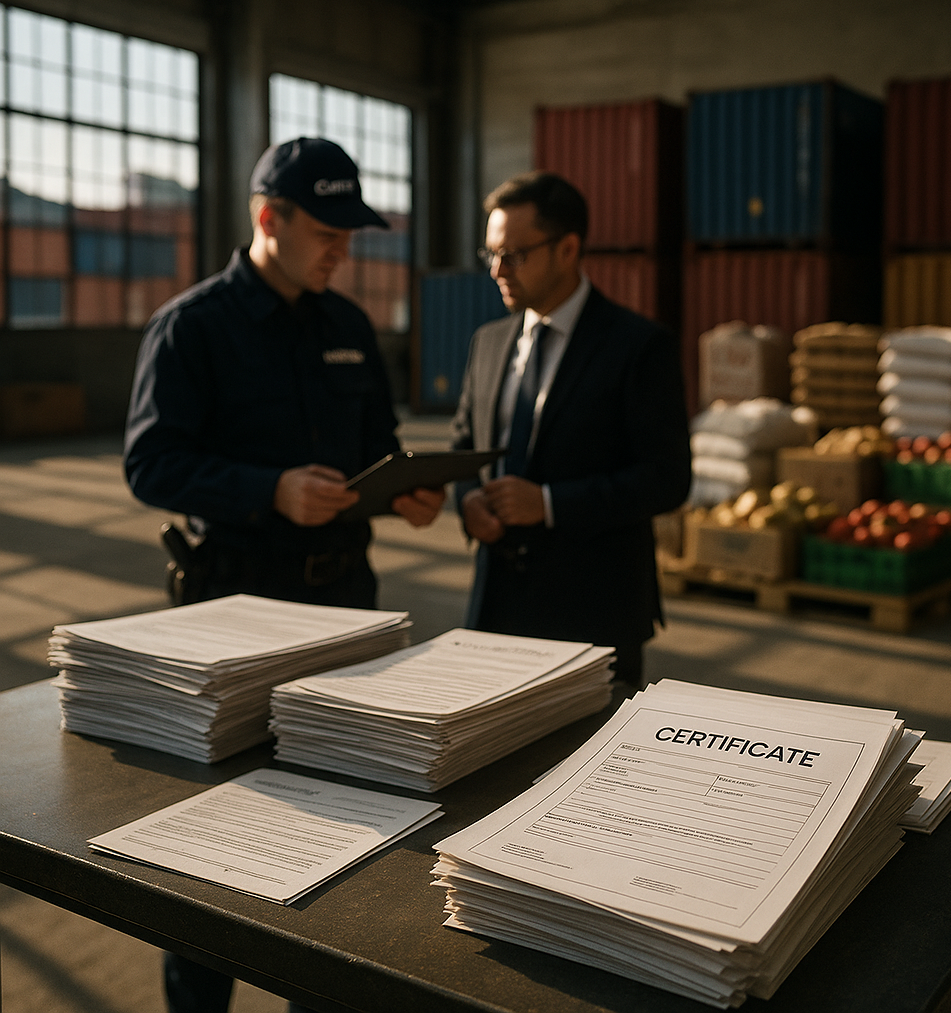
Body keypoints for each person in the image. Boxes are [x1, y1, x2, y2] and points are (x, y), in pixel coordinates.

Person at [124, 137, 444, 1013]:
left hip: (345, 605)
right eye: (328, 231)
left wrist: (402, 490)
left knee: (350, 818)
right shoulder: (193, 327)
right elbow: (151, 465)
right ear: (269, 219)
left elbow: (377, 446)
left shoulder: (346, 327)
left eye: (352, 232)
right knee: (214, 834)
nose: (344, 248)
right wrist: (267, 489)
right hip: (234, 608)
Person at [451, 171, 691, 687]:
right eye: (490, 253)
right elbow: (464, 444)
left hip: (593, 612)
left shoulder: (638, 347)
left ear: (567, 249)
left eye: (514, 254)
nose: (497, 269)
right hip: (494, 609)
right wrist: (468, 501)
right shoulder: (488, 342)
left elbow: (667, 478)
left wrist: (550, 503)